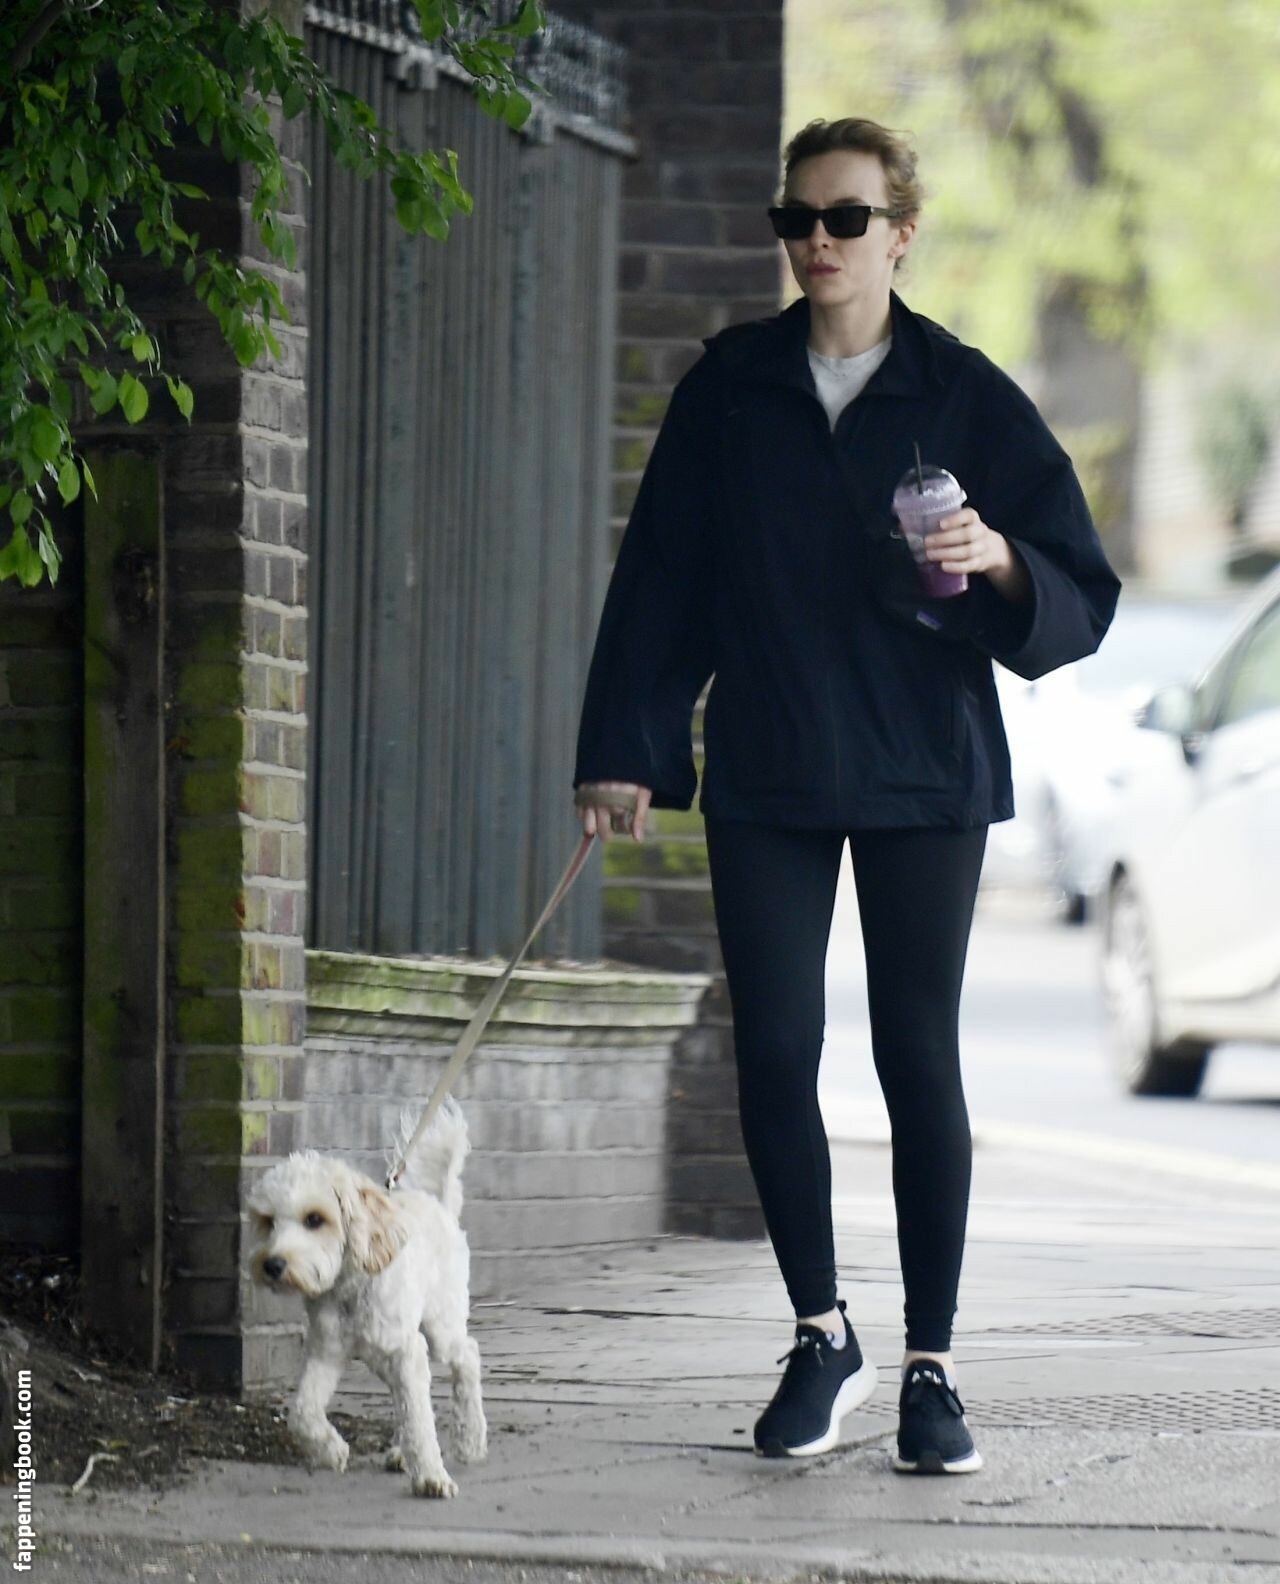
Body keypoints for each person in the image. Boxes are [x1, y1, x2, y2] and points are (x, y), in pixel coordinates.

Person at [572, 116, 1120, 1474]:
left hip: (924, 764)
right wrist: (626, 743)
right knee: (773, 1051)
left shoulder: (962, 390)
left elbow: (1080, 586)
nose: (818, 241)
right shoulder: (733, 386)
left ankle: (933, 1367)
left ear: (900, 233)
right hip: (770, 761)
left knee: (915, 1055)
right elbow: (663, 574)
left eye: (847, 218)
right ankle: (821, 1335)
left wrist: (996, 556)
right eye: (798, 219)